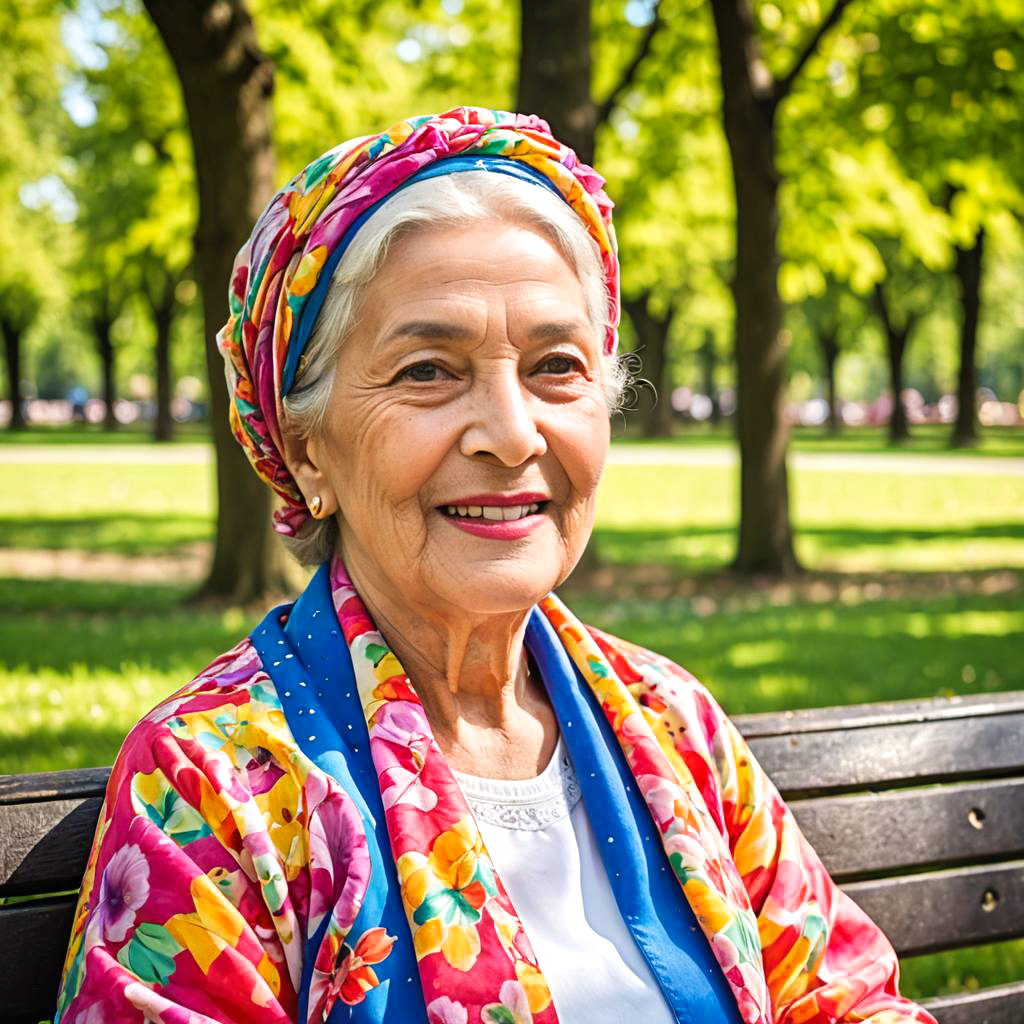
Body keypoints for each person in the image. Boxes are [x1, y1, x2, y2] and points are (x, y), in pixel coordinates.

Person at [55, 107, 934, 1024]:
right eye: (428, 371)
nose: (513, 434)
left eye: (556, 366)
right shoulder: (211, 783)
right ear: (307, 447)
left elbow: (848, 1001)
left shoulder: (675, 724)